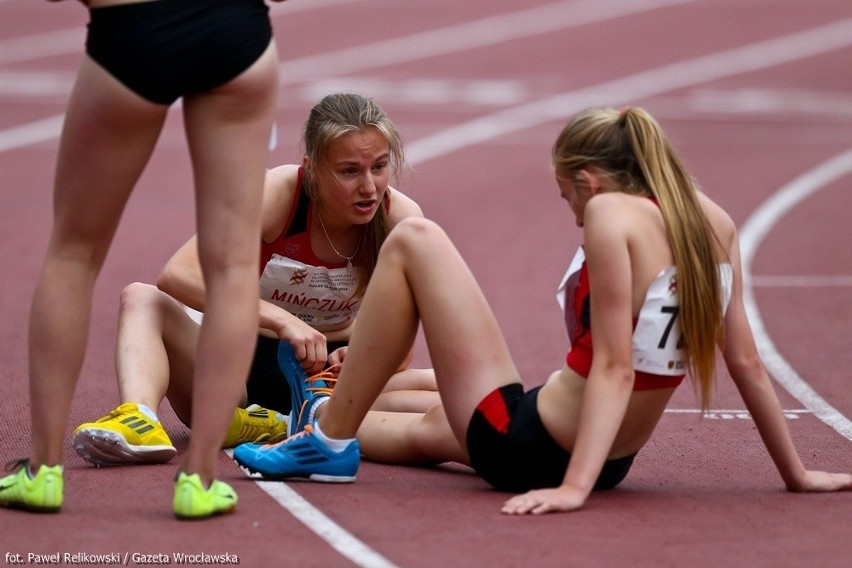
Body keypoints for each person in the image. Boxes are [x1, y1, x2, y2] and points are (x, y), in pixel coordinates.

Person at [233, 106, 852, 512]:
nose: (573, 213)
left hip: (524, 442)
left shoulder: (612, 214)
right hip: (602, 451)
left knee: (415, 239)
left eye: (566, 198)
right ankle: (320, 417)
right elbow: (744, 358)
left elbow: (614, 366)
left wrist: (572, 490)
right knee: (407, 428)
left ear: (588, 180)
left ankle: (326, 437)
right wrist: (796, 473)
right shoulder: (710, 220)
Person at [0, 0, 285, 519]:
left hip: (130, 29)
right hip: (234, 30)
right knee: (233, 269)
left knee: (73, 254)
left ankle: (41, 472)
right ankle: (199, 479)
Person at [71, 93, 441, 470]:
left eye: (379, 167)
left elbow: (400, 346)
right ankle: (139, 419)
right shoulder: (277, 194)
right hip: (238, 367)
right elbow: (178, 276)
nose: (369, 187)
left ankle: (301, 420)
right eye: (349, 171)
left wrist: (361, 354)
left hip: (329, 378)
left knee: (445, 384)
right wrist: (282, 320)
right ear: (312, 169)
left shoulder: (401, 219)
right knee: (141, 298)